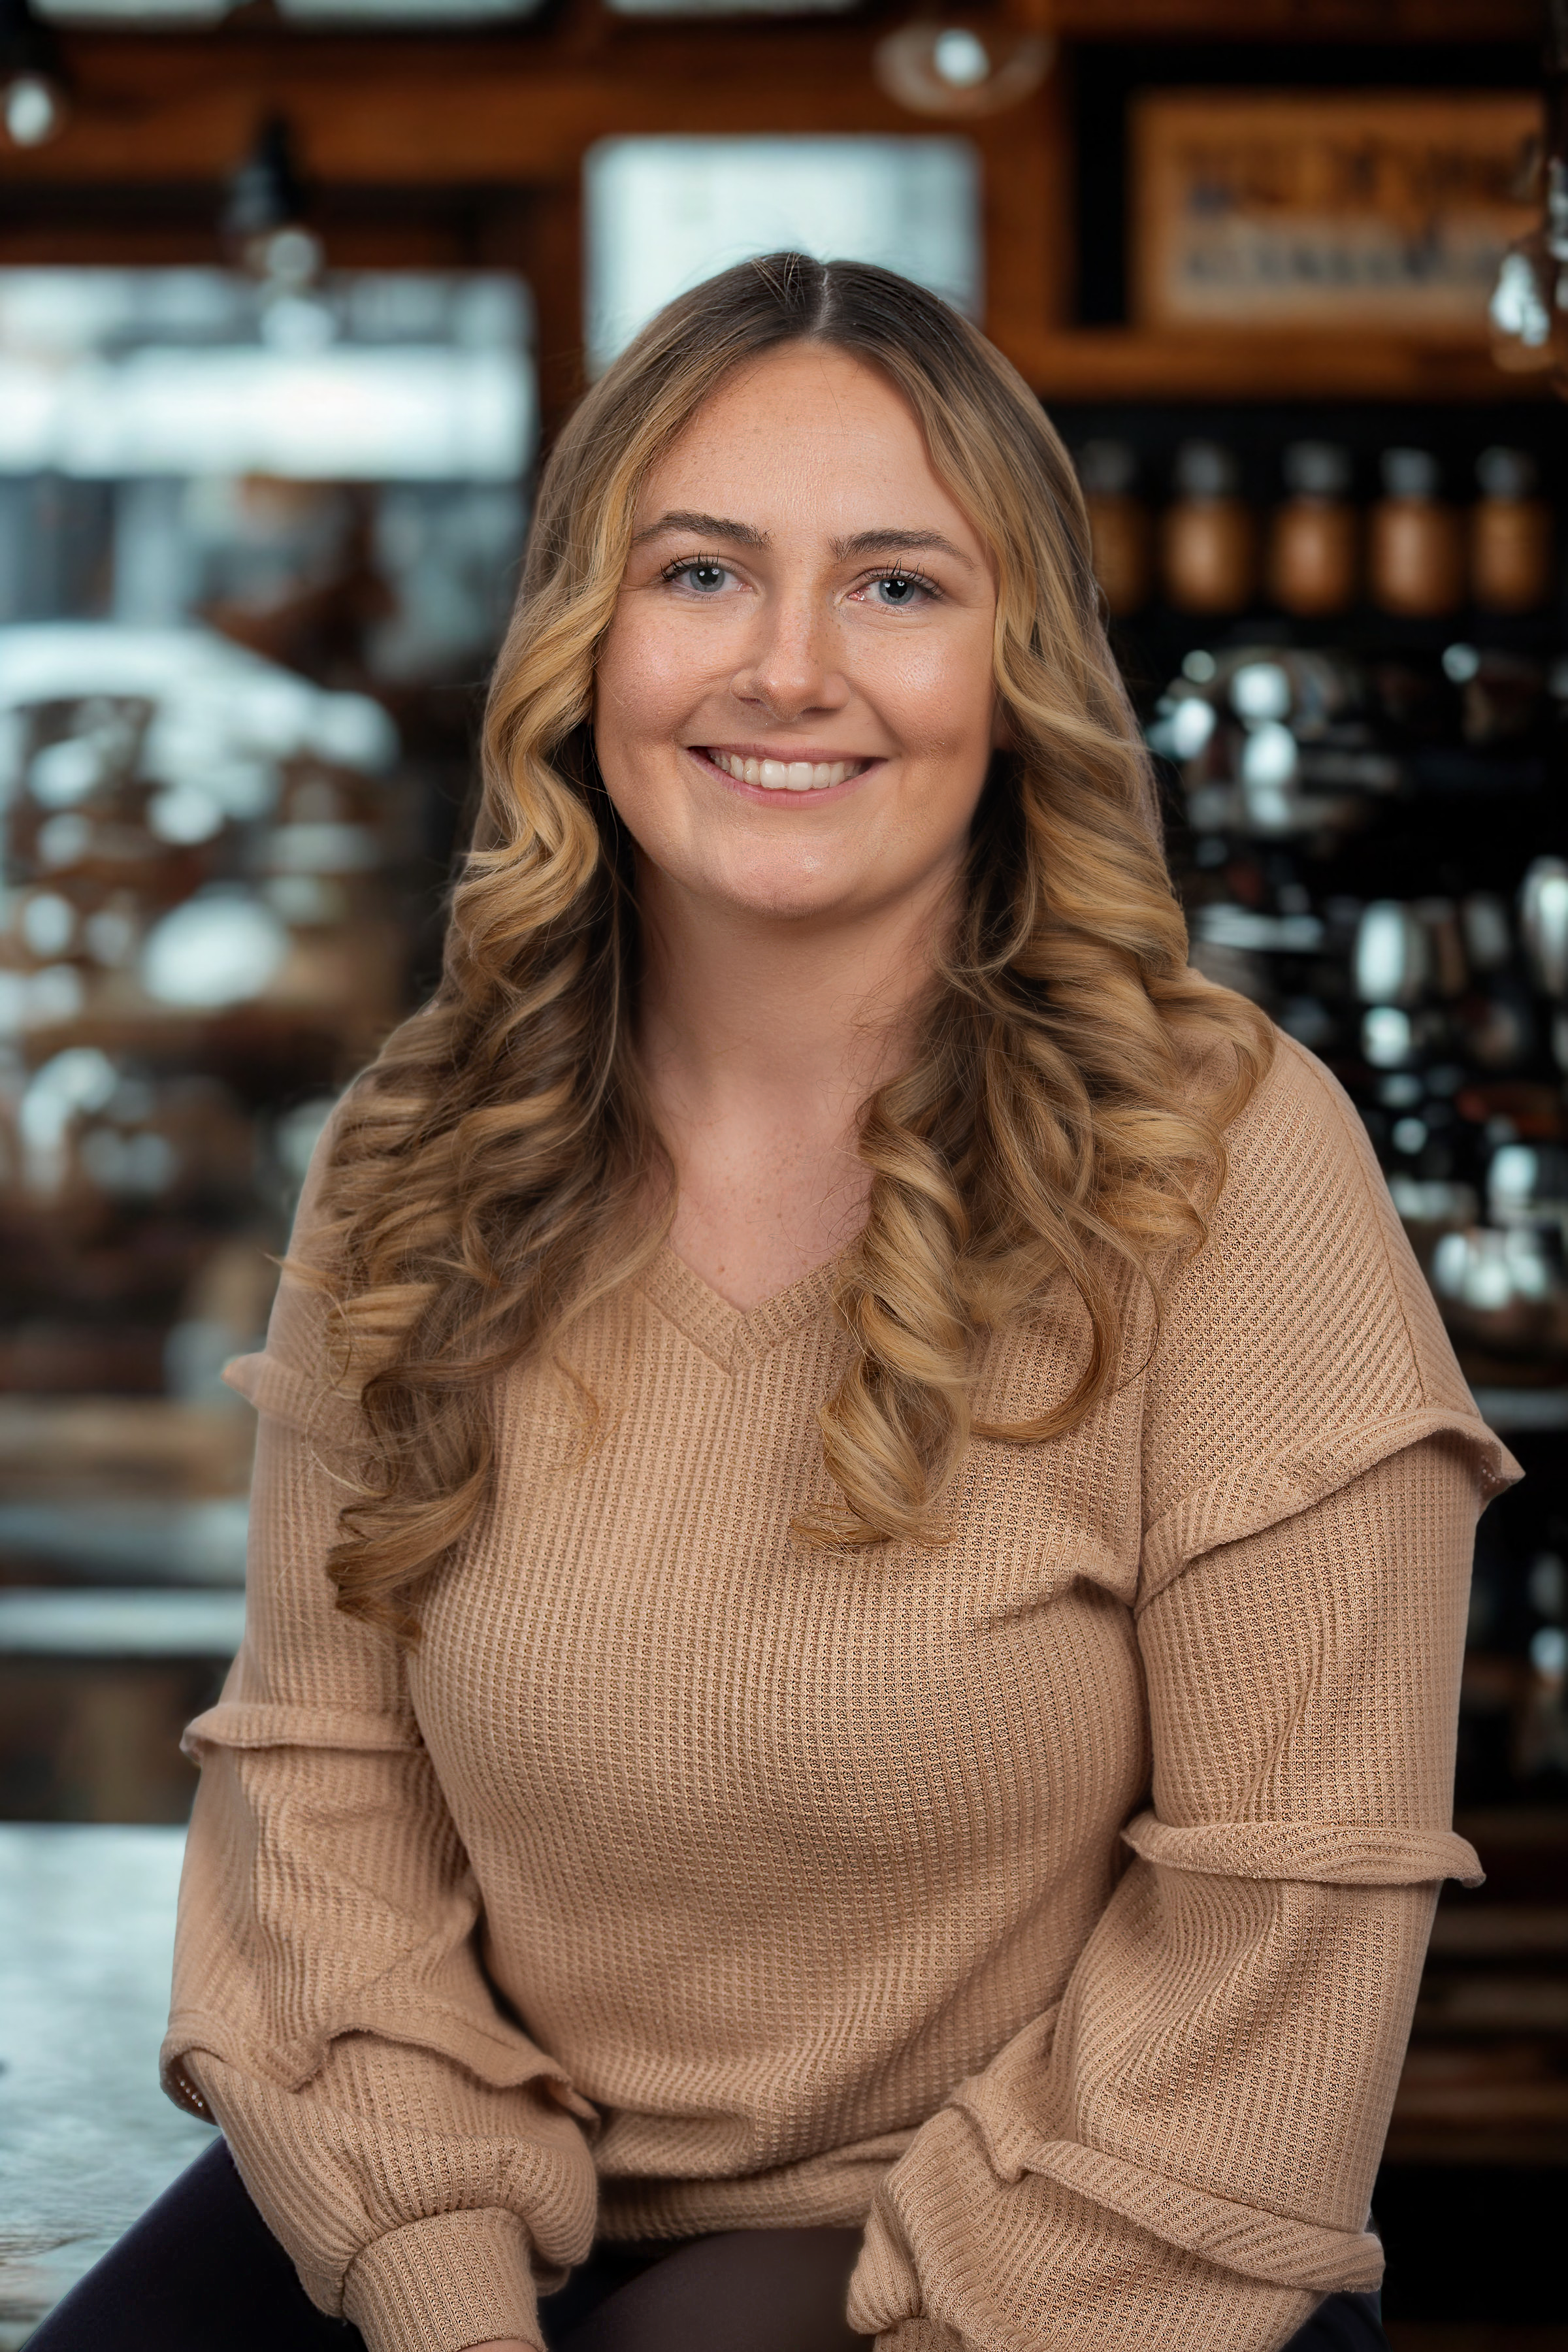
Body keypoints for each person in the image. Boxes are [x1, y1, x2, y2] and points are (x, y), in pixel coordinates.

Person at [32, 253, 1514, 2352]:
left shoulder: (1227, 1167)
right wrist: (446, 2299)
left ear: (1017, 668)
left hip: (1081, 2253)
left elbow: (1284, 1950)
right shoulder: (417, 1152)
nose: (790, 669)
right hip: (478, 2221)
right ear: (582, 639)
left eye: (899, 586)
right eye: (702, 573)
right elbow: (319, 1804)